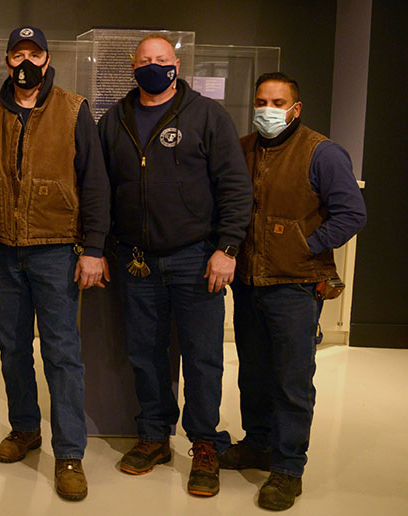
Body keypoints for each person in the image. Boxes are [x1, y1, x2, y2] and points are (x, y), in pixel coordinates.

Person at [97, 33, 252, 497]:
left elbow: (235, 188)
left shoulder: (208, 116)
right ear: (132, 66)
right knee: (144, 354)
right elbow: (100, 190)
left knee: (203, 357)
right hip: (135, 260)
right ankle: (153, 435)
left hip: (197, 258)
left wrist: (227, 248)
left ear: (176, 64)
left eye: (161, 59)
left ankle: (205, 443)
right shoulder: (114, 120)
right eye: (145, 60)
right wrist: (101, 247)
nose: (153, 65)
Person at [0, 26, 111, 501]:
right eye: (17, 54)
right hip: (2, 248)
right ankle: (25, 428)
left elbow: (95, 183)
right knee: (10, 349)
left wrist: (94, 248)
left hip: (55, 248)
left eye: (35, 53)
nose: (25, 62)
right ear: (6, 61)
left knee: (62, 354)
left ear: (47, 60)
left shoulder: (74, 108)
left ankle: (69, 453)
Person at [225, 72, 366, 511]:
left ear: (295, 108)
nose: (269, 109)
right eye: (262, 100)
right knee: (253, 371)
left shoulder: (322, 152)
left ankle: (288, 467)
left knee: (291, 379)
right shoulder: (243, 149)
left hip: (295, 285)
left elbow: (351, 214)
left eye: (278, 101)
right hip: (249, 283)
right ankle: (259, 442)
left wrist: (305, 245)